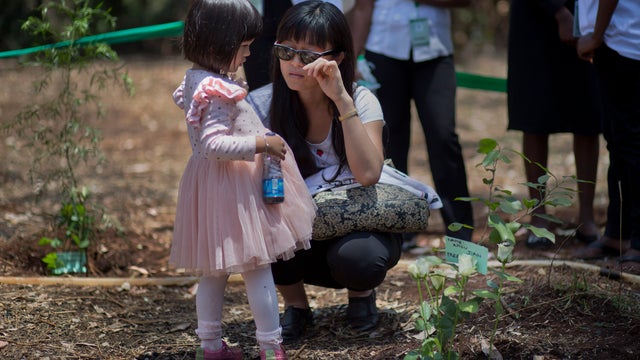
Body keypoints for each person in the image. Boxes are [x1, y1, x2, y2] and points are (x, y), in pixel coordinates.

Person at [246, 1, 403, 343]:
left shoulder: (360, 101)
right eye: (285, 51)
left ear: (338, 58)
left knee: (361, 259)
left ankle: (361, 296)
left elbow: (368, 175)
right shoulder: (260, 104)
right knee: (260, 224)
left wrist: (342, 101)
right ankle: (296, 306)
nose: (293, 63)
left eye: (307, 55)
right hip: (296, 232)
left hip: (355, 227)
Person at [169, 1, 316, 359]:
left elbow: (200, 117)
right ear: (222, 43)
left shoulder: (197, 80)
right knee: (257, 267)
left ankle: (212, 346)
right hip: (232, 190)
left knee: (213, 271)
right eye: (245, 46)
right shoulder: (217, 90)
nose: (250, 53)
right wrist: (261, 142)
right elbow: (212, 143)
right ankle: (271, 345)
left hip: (212, 187)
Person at [349, 0, 474, 243]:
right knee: (390, 137)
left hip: (435, 53)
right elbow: (364, 7)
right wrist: (352, 57)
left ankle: (460, 232)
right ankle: (398, 226)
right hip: (384, 49)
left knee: (443, 134)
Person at [506, 0, 602, 249]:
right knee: (535, 118)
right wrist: (558, 12)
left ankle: (587, 217)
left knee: (588, 118)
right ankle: (539, 215)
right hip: (533, 24)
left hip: (587, 19)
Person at [575, 0, 639, 273]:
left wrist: (596, 35)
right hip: (613, 42)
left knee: (633, 145)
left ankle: (638, 244)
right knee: (618, 142)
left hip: (626, 42)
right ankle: (617, 234)